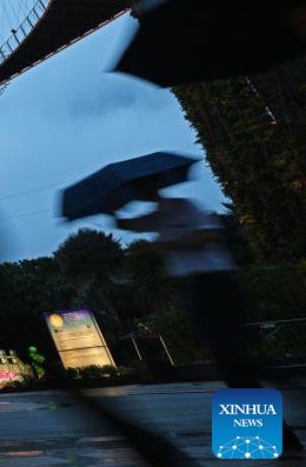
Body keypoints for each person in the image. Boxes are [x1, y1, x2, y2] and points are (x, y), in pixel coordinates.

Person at [113, 186, 304, 453]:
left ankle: (270, 435)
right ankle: (271, 436)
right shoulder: (157, 216)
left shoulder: (183, 207)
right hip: (193, 289)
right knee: (231, 362)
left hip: (215, 284)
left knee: (233, 360)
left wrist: (175, 243)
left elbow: (212, 232)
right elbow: (130, 224)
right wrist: (111, 211)